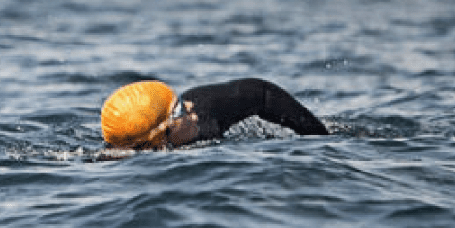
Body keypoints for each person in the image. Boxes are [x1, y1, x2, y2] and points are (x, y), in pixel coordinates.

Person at [101, 78, 328, 149]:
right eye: (178, 110)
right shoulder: (128, 152)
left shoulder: (206, 107)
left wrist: (320, 138)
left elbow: (261, 93)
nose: (189, 108)